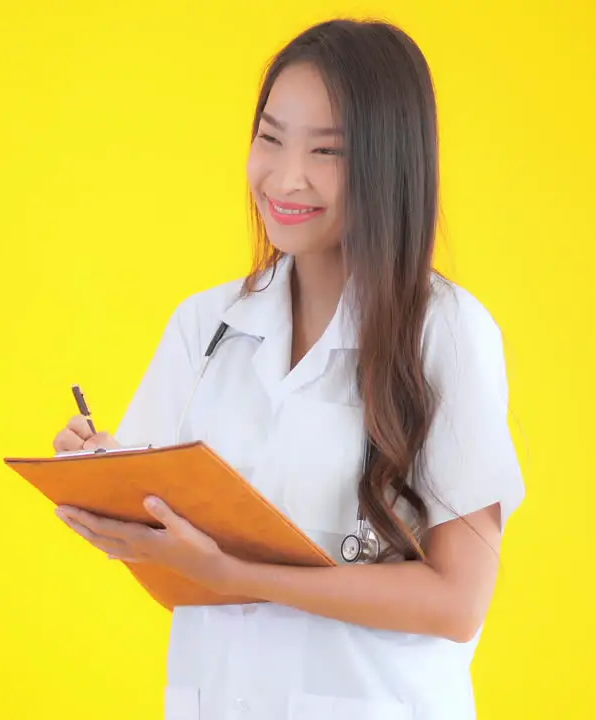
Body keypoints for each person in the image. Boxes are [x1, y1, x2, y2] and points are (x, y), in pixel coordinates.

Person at [50, 17, 525, 720]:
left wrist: (237, 574)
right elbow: (169, 552)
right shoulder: (206, 325)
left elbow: (456, 602)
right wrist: (105, 478)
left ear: (388, 163)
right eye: (270, 138)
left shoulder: (445, 332)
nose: (285, 177)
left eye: (326, 151)